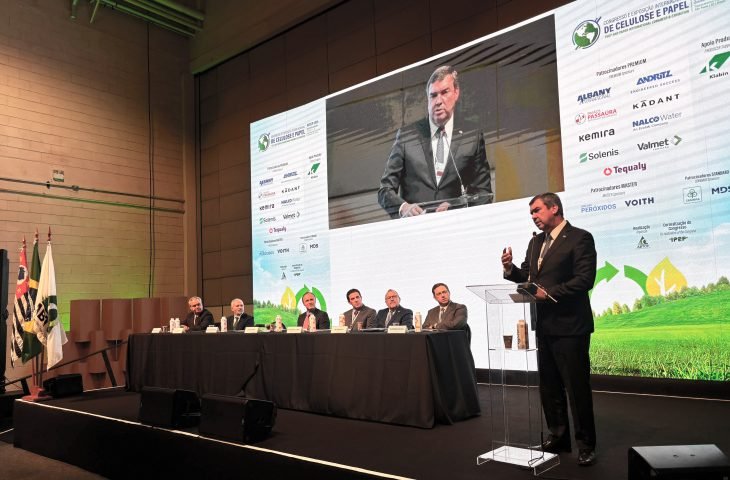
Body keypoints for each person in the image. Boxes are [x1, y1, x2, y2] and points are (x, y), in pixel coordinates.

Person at [501, 192, 598, 466]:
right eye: (531, 213)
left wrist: (549, 293)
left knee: (576, 390)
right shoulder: (535, 243)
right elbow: (528, 277)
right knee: (550, 388)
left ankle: (586, 446)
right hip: (543, 326)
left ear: (554, 208)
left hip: (571, 327)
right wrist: (510, 270)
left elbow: (585, 280)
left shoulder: (580, 238)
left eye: (537, 210)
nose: (533, 216)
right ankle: (558, 437)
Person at [377, 65, 492, 219]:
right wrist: (403, 208)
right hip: (416, 228)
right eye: (433, 95)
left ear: (456, 92)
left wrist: (457, 206)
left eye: (444, 92)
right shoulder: (407, 136)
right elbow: (385, 190)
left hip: (456, 226)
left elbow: (484, 194)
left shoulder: (472, 136)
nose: (438, 101)